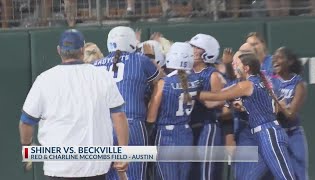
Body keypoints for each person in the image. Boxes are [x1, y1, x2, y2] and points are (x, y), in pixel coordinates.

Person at [19, 29, 129, 179]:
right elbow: (119, 115)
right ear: (82, 50)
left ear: (59, 50)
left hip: (58, 168)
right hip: (94, 168)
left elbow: (26, 122)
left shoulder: (44, 79)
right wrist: (123, 151)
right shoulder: (102, 75)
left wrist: (27, 145)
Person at [198, 53, 295, 180]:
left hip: (269, 133)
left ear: (246, 68)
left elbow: (217, 97)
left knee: (285, 177)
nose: (234, 67)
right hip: (261, 135)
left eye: (237, 64)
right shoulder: (262, 81)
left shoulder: (247, 84)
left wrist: (195, 92)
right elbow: (211, 103)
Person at [93, 26, 161, 180]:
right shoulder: (141, 60)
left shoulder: (95, 65)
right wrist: (150, 57)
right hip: (132, 125)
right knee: (135, 176)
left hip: (101, 127)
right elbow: (159, 79)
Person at [146, 42, 201, 180]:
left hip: (167, 136)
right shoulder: (196, 80)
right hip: (186, 134)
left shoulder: (163, 83)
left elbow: (151, 115)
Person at [188, 33, 225, 180]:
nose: (191, 50)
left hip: (207, 126)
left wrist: (197, 95)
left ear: (206, 53)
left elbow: (219, 101)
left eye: (196, 47)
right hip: (189, 127)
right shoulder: (186, 72)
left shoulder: (212, 75)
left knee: (206, 170)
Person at [273, 47, 309, 180]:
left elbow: (291, 114)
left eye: (280, 57)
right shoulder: (270, 81)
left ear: (290, 61)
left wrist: (278, 104)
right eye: (274, 57)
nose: (275, 59)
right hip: (275, 134)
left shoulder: (298, 83)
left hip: (294, 133)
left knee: (299, 173)